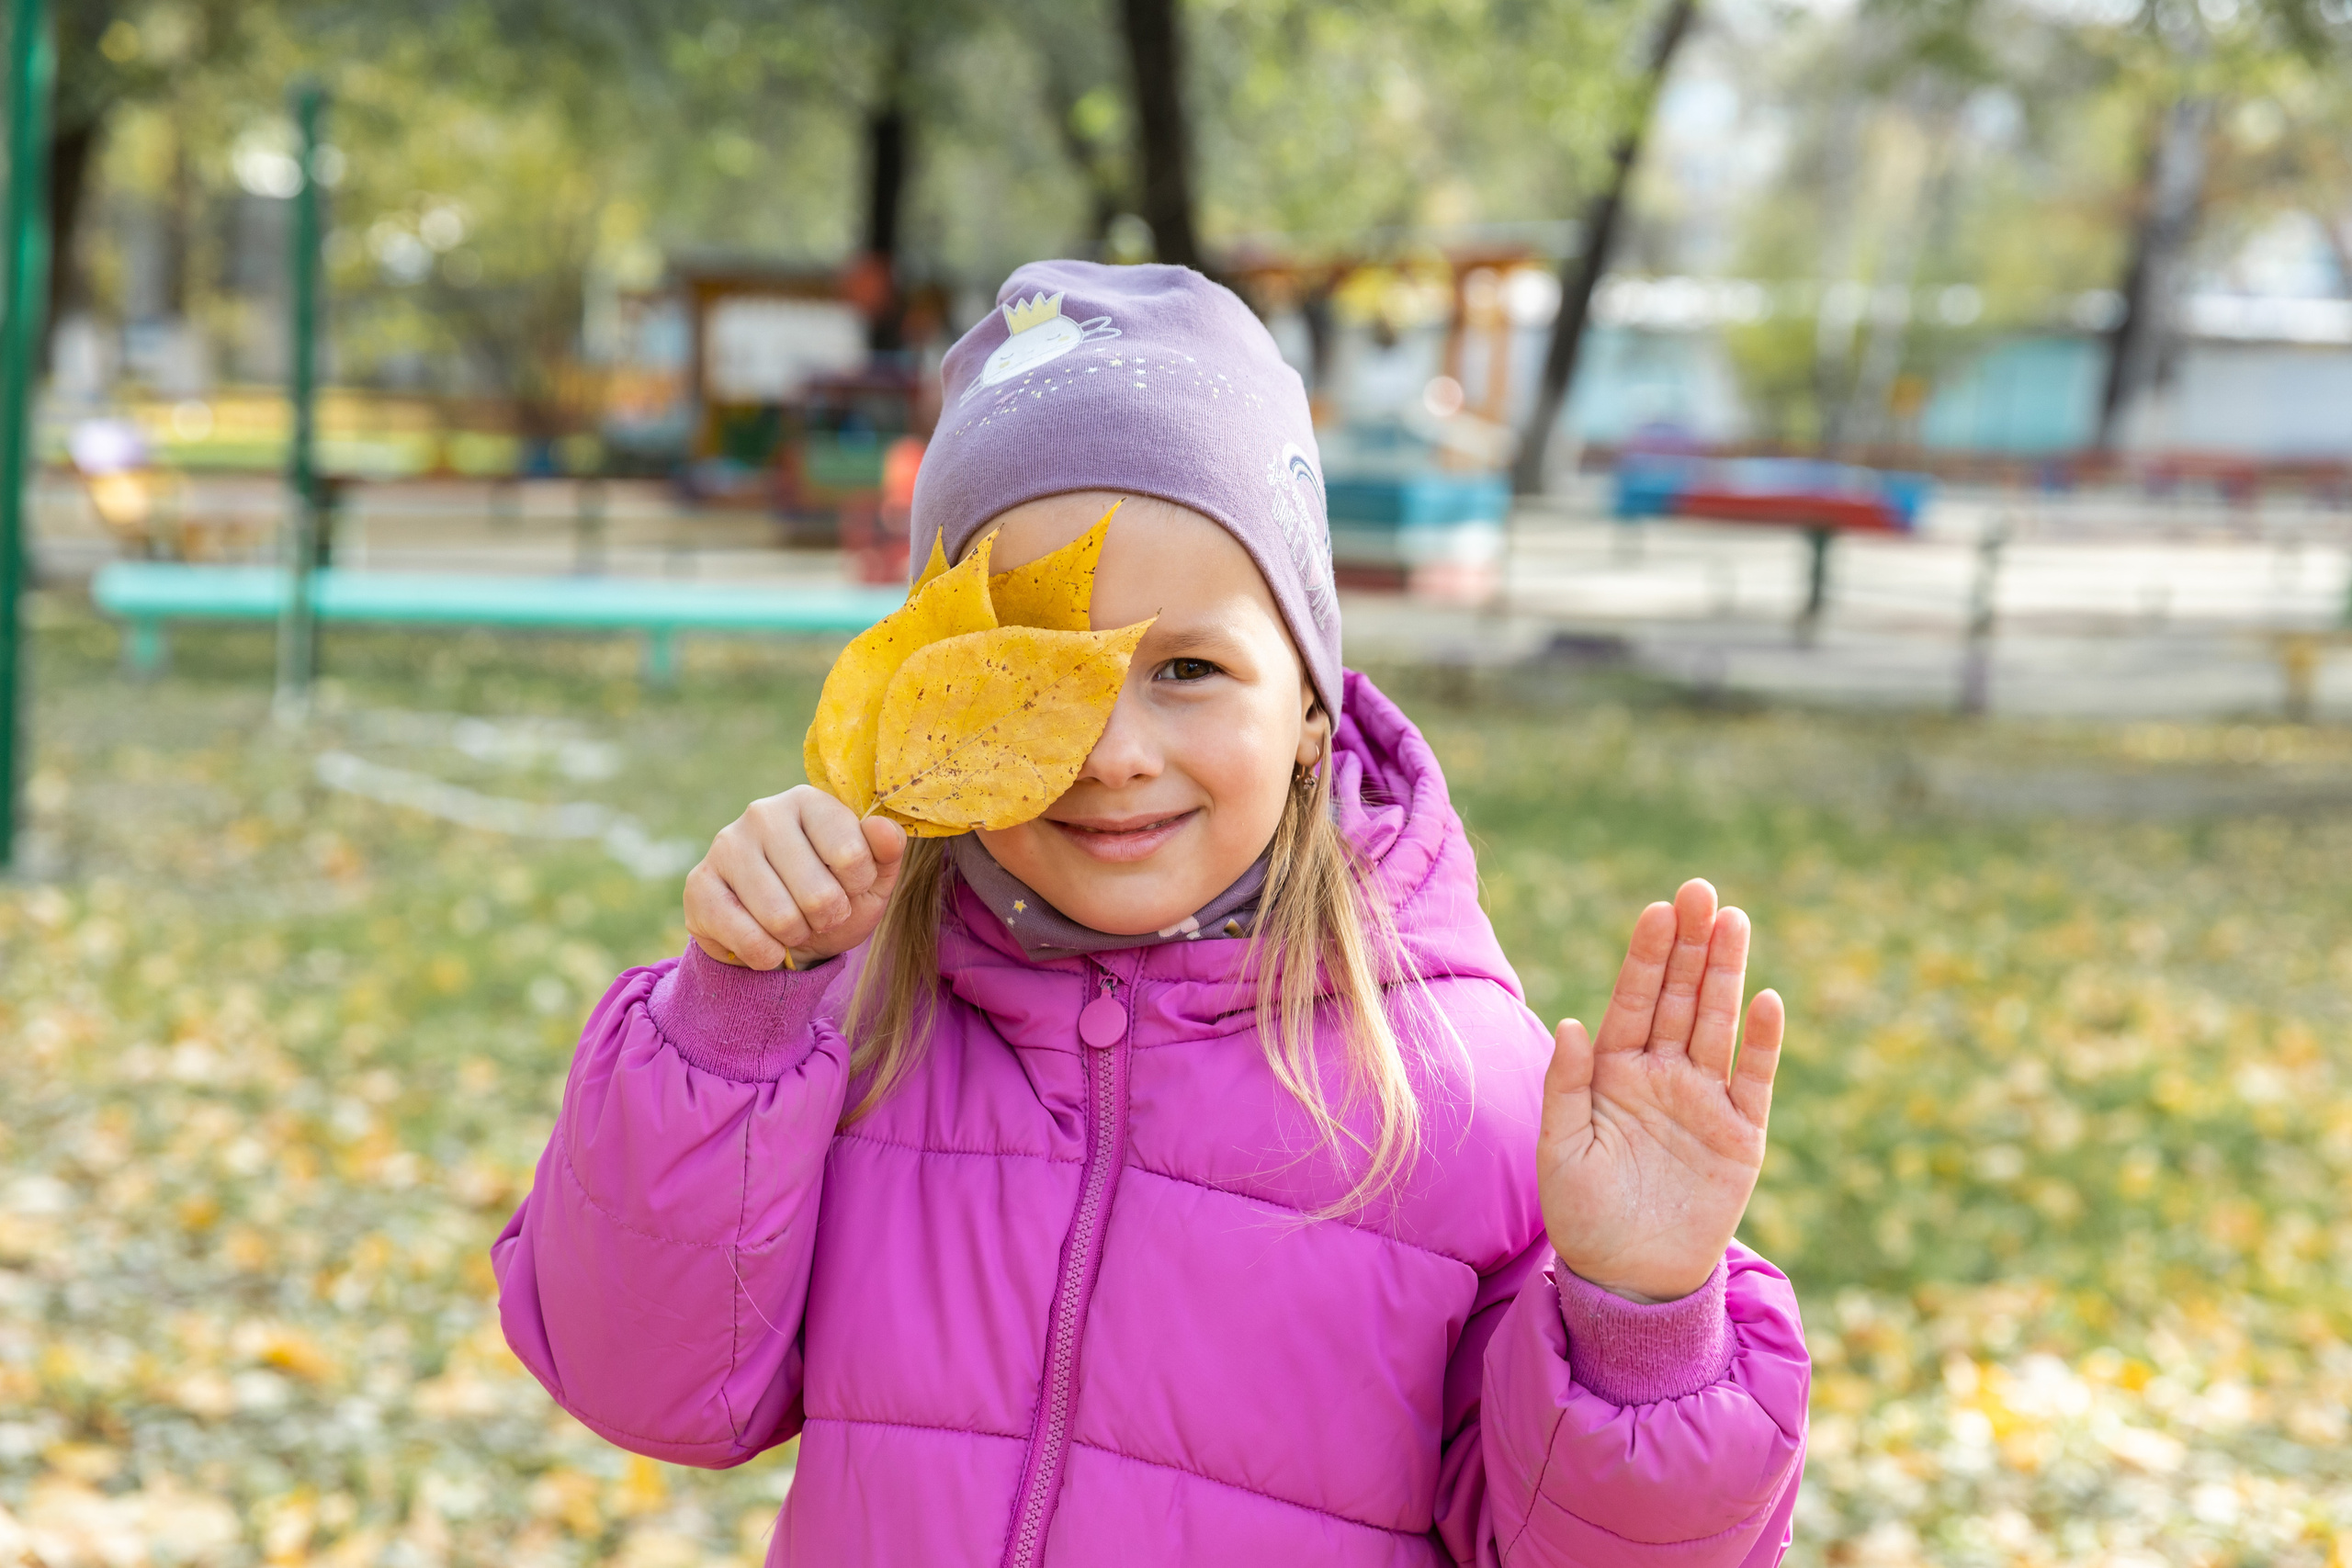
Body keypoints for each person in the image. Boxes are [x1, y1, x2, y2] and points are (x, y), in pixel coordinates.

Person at [495, 261, 1808, 1566]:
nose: (1113, 751)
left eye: (1187, 667)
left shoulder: (1464, 1099)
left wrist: (1639, 1316)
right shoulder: (853, 1025)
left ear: (1310, 705)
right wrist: (729, 1023)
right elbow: (645, 1382)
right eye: (1032, 679)